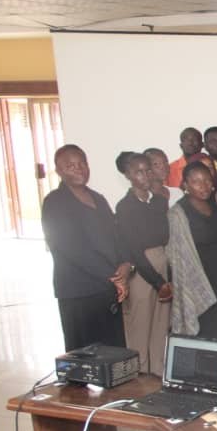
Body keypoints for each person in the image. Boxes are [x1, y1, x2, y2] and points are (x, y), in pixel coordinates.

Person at [42, 144, 129, 351]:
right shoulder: (55, 202)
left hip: (107, 289)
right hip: (78, 292)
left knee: (114, 354)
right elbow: (71, 249)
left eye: (82, 163)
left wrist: (126, 266)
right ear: (60, 171)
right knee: (82, 360)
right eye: (71, 166)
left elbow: (117, 237)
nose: (79, 168)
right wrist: (113, 277)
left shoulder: (98, 198)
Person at [166, 161, 217, 339]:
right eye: (196, 181)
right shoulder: (178, 213)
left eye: (207, 180)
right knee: (200, 334)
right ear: (186, 185)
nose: (203, 186)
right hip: (196, 282)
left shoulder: (216, 206)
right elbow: (177, 257)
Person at [114, 151, 170, 374]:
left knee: (161, 324)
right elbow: (134, 250)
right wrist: (158, 282)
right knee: (140, 325)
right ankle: (139, 376)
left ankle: (157, 372)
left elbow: (166, 238)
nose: (145, 175)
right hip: (142, 270)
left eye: (148, 170)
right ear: (128, 175)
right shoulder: (125, 206)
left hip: (162, 261)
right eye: (138, 172)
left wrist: (167, 279)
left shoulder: (159, 202)